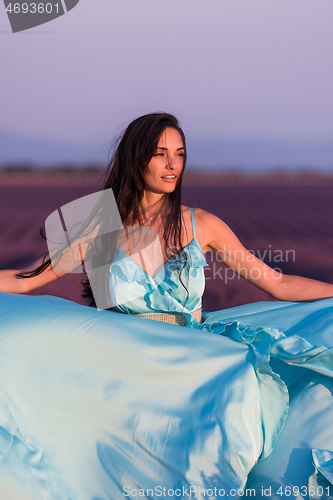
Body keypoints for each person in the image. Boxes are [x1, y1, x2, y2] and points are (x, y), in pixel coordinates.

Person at [0, 112, 333, 500]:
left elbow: (276, 282)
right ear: (136, 159)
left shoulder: (202, 224)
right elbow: (26, 279)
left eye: (180, 153)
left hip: (192, 366)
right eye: (161, 154)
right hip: (123, 370)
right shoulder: (99, 226)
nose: (173, 164)